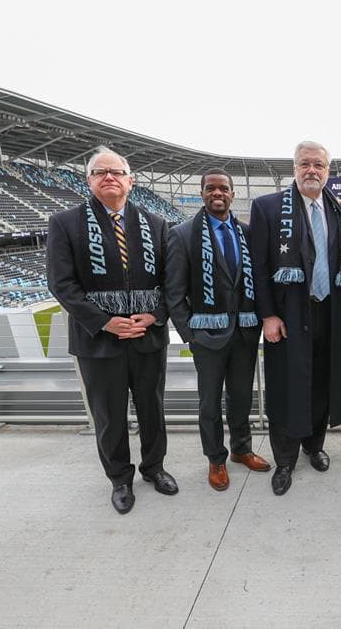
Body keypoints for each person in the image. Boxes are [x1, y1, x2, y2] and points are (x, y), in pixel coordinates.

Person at [46, 147, 176, 514]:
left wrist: (153, 314)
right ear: (88, 181)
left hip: (147, 334)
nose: (109, 177)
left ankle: (155, 468)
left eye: (116, 172)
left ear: (130, 181)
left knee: (152, 407)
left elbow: (172, 280)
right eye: (99, 172)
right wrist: (104, 321)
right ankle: (120, 479)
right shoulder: (65, 223)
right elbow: (62, 283)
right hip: (98, 340)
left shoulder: (156, 223)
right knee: (109, 414)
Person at [249, 141, 341, 495]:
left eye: (319, 165)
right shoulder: (266, 208)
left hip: (328, 310)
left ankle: (314, 444)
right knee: (286, 386)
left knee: (322, 380)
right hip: (288, 314)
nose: (312, 170)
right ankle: (285, 459)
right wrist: (267, 315)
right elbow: (259, 268)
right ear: (293, 168)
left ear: (328, 170)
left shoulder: (338, 211)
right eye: (305, 164)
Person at [164, 168, 272, 493]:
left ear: (232, 194)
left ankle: (241, 448)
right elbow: (173, 292)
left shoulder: (248, 233)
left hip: (244, 334)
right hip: (206, 336)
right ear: (202, 194)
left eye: (223, 188)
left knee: (241, 398)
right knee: (209, 404)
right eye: (210, 188)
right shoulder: (183, 234)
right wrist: (191, 334)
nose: (217, 193)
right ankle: (216, 458)